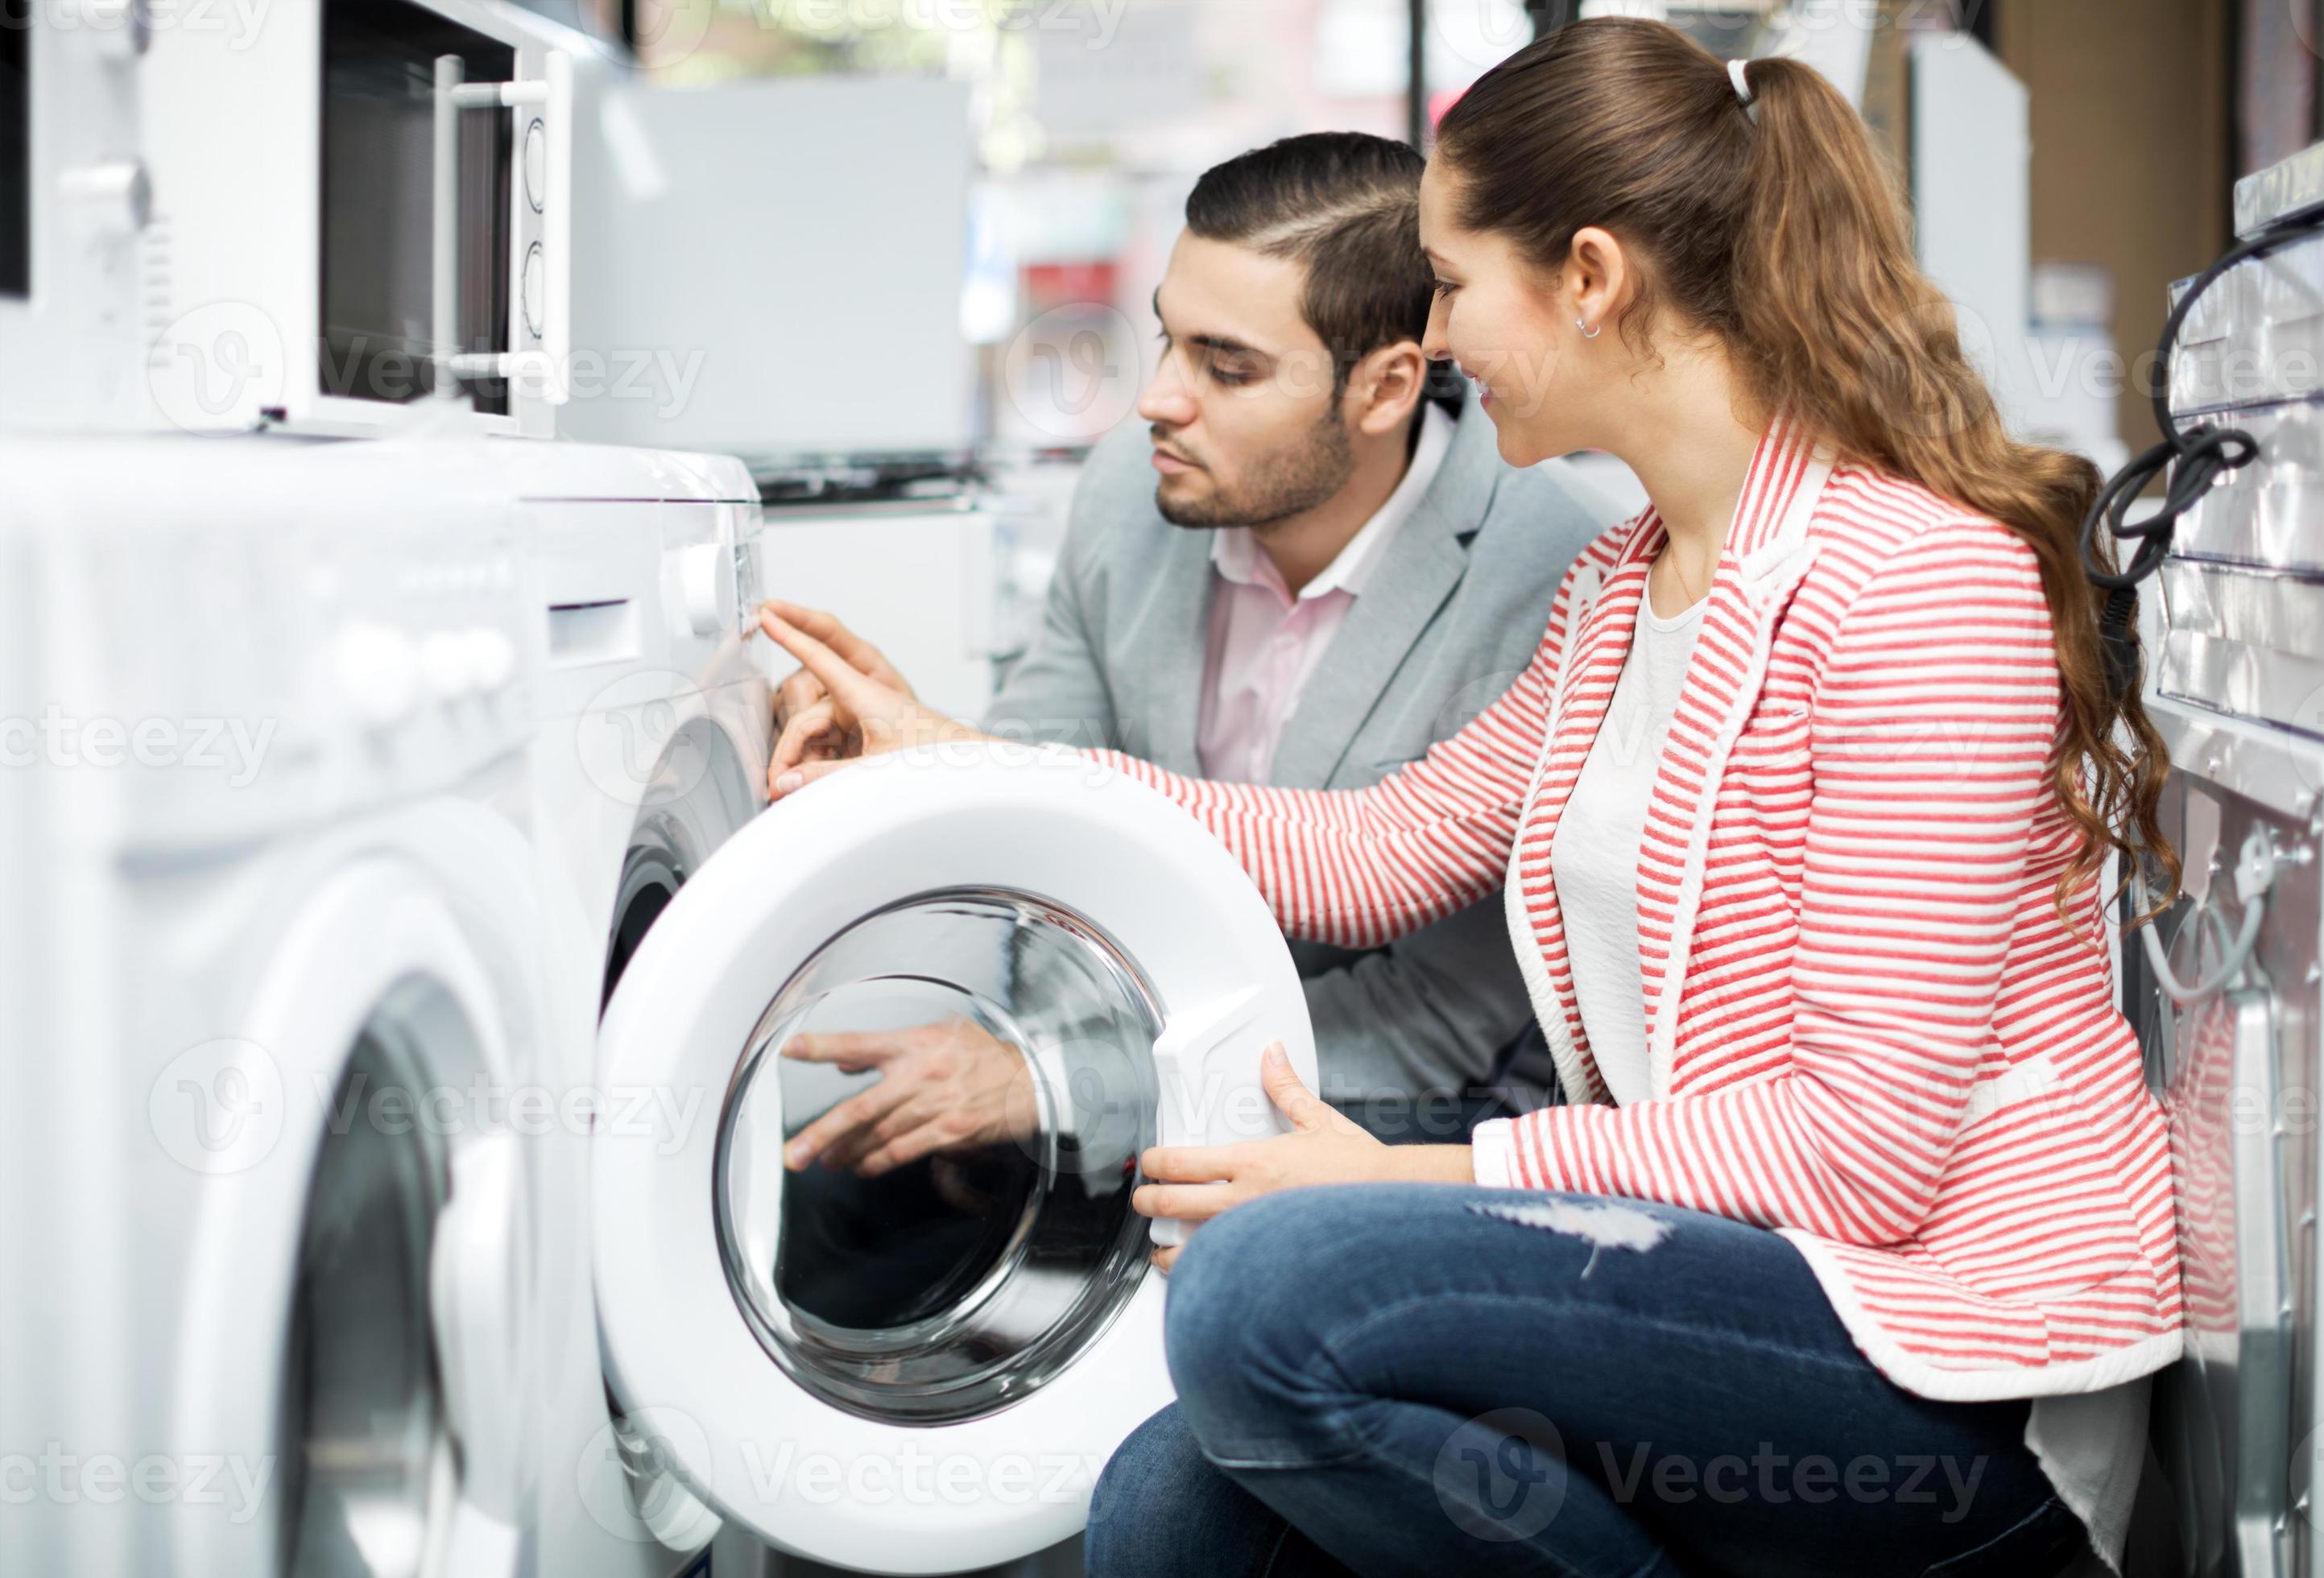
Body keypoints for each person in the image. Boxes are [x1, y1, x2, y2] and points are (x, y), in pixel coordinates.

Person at [763, 19, 2181, 1577]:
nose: (1430, 339)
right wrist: (959, 761)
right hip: (1730, 1283)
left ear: (1587, 277)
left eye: (1448, 281)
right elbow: (1371, 855)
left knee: (1262, 1290)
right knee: (1170, 1495)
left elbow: (1862, 1148)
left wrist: (1416, 1177)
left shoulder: (1917, 585)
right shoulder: (1621, 586)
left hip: (1941, 1352)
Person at [765, 131, 1611, 1180]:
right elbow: (1044, 782)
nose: (1158, 401)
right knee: (829, 1194)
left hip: (1395, 1112)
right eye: (1167, 342)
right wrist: (903, 750)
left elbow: (1443, 1010)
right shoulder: (1134, 490)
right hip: (1130, 1053)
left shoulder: (1556, 565)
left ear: (1388, 388)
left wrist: (1057, 1084)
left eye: (1228, 367)